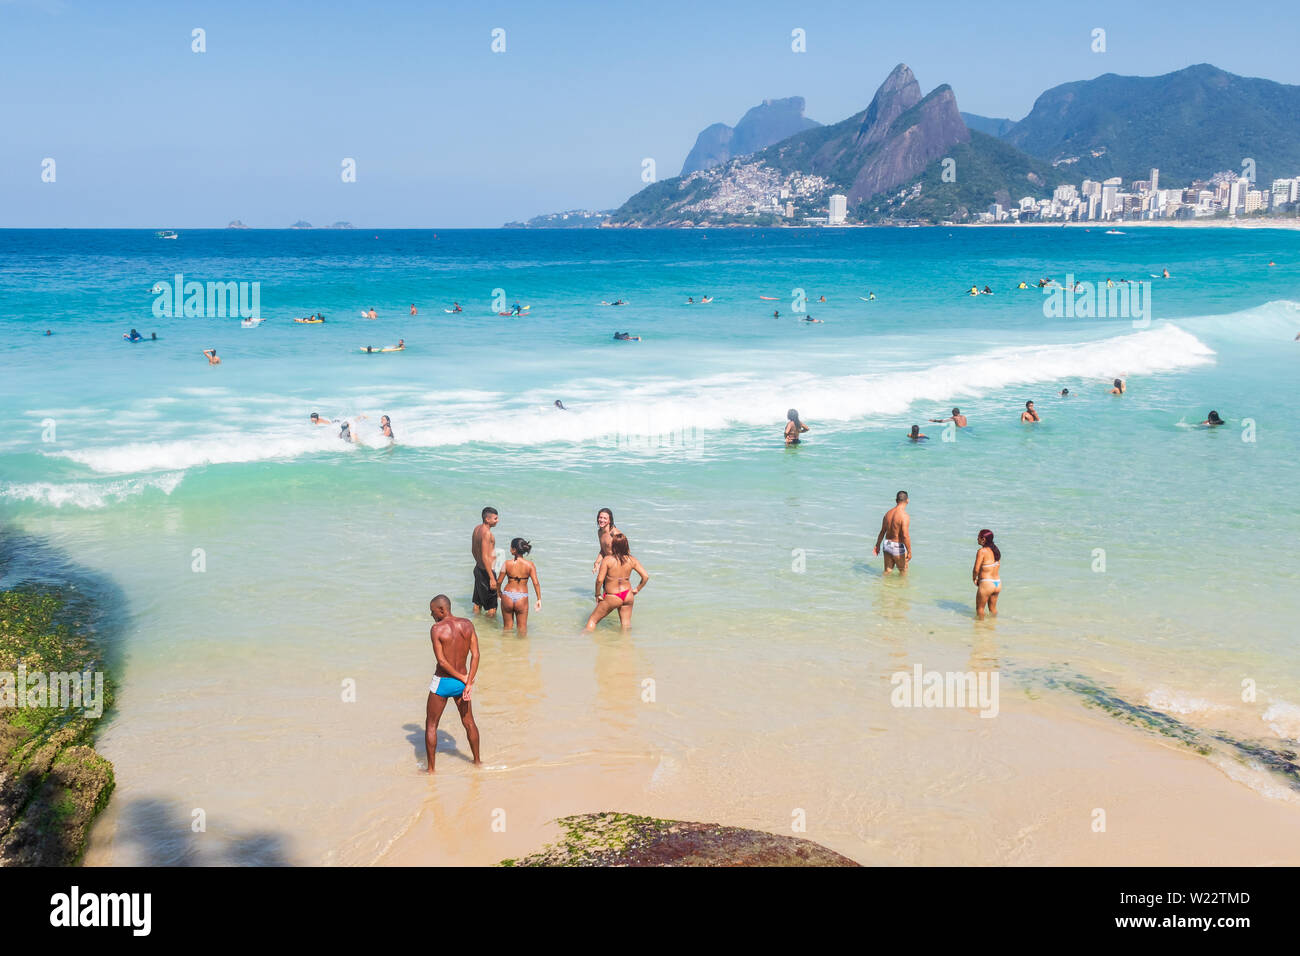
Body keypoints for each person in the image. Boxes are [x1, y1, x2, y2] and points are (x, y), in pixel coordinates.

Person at [424, 595, 481, 774]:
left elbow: (442, 662)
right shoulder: (467, 625)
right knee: (469, 722)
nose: (431, 614)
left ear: (442, 610)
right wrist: (468, 680)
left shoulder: (436, 629)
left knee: (431, 725)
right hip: (461, 682)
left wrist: (465, 679)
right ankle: (477, 762)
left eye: (432, 611)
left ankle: (431, 770)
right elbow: (476, 655)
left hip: (443, 682)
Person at [586, 533, 649, 630]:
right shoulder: (632, 560)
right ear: (626, 545)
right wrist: (637, 589)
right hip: (627, 595)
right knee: (626, 626)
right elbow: (645, 576)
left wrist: (597, 594)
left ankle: (581, 641)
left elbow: (599, 580)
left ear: (614, 545)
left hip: (613, 595)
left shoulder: (608, 560)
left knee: (592, 621)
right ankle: (626, 644)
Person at [497, 538, 541, 636]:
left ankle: (505, 649)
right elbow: (536, 583)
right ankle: (521, 650)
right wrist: (539, 599)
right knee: (522, 630)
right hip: (522, 597)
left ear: (514, 550)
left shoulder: (506, 563)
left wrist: (498, 592)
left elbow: (499, 581)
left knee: (507, 628)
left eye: (511, 547)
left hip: (507, 595)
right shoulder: (530, 565)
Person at [873, 491, 912, 575]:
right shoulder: (904, 516)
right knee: (903, 572)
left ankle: (882, 587)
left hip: (887, 544)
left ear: (896, 500)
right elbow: (905, 535)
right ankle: (902, 588)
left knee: (887, 571)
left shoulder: (888, 514)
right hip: (898, 546)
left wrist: (877, 545)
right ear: (907, 500)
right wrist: (909, 551)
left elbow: (882, 531)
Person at [471, 507, 500, 617]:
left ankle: (476, 624)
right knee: (492, 607)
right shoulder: (486, 533)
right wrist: (492, 577)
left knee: (477, 603)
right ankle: (489, 630)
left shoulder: (477, 529)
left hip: (478, 569)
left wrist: (479, 563)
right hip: (487, 572)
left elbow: (473, 550)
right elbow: (484, 556)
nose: (497, 521)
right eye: (495, 518)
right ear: (487, 519)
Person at [972, 529, 1001, 620]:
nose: (977, 539)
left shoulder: (982, 551)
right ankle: (993, 626)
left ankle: (980, 630)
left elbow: (976, 569)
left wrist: (974, 578)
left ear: (983, 539)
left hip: (987, 583)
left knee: (980, 609)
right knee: (993, 609)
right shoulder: (996, 550)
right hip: (997, 583)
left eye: (978, 537)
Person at [593, 508, 620, 573]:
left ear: (610, 520)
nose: (602, 520)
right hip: (607, 565)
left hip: (617, 567)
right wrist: (597, 562)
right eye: (600, 517)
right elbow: (603, 550)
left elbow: (625, 552)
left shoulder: (615, 533)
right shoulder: (600, 532)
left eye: (605, 518)